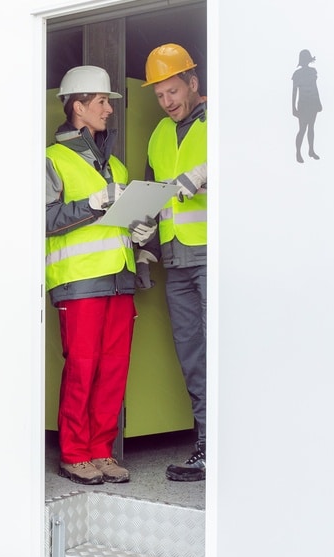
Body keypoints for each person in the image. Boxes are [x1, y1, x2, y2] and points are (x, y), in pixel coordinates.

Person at [44, 65, 142, 485]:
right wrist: (93, 204)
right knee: (83, 368)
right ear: (78, 106)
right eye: (102, 102)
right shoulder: (52, 159)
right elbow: (45, 220)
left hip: (120, 279)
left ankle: (101, 450)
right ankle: (75, 453)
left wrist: (140, 230)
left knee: (113, 368)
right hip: (79, 281)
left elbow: (118, 220)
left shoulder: (116, 166)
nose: (109, 109)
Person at [138, 44, 208, 482]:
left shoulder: (224, 124)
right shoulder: (160, 135)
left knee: (228, 351)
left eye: (173, 91)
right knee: (192, 355)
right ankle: (208, 444)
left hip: (215, 254)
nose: (167, 102)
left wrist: (206, 171)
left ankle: (244, 443)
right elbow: (154, 196)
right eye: (160, 95)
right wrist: (147, 240)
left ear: (193, 83)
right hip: (177, 260)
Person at [292, 49, 322, 163]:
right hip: (303, 104)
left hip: (312, 103)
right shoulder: (297, 74)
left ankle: (311, 150)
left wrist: (318, 103)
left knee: (311, 128)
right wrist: (293, 108)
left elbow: (315, 87)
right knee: (302, 129)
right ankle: (298, 152)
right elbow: (294, 91)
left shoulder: (312, 72)